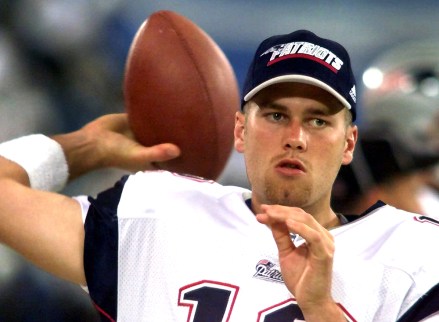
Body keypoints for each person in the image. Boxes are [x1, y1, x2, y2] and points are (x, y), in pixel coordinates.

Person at [0, 30, 438, 322]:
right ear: (240, 131)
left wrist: (322, 309)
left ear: (349, 143)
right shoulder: (159, 215)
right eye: (275, 114)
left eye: (319, 121)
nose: (296, 137)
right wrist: (84, 148)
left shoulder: (413, 256)